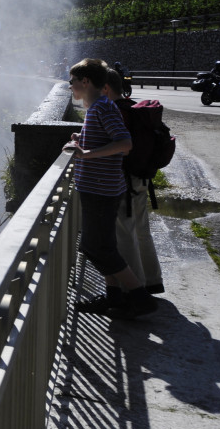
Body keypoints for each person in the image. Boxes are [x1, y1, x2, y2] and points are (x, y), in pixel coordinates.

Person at [65, 58, 157, 318]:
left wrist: (84, 153)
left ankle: (139, 296)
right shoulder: (98, 107)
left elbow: (124, 143)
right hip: (100, 187)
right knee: (101, 245)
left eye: (72, 82)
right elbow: (108, 138)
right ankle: (114, 298)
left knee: (97, 247)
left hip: (100, 190)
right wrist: (81, 138)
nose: (70, 87)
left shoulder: (101, 108)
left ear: (85, 81)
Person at [104, 69, 165, 294]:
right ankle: (152, 280)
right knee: (141, 230)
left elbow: (117, 148)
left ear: (105, 88)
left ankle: (133, 290)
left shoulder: (114, 112)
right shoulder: (134, 108)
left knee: (124, 233)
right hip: (142, 179)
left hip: (124, 181)